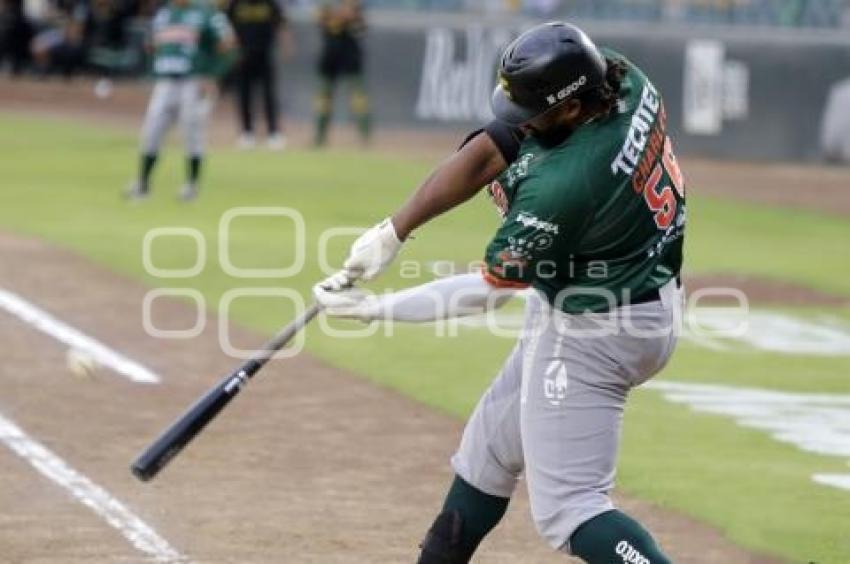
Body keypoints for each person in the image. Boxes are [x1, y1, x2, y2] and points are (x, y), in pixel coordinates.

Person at [314, 21, 686, 564]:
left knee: (571, 509)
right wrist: (394, 230)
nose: (521, 124)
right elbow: (493, 147)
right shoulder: (615, 77)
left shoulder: (567, 184)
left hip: (596, 327)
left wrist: (373, 309)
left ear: (573, 109)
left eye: (534, 112)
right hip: (623, 295)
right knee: (484, 456)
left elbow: (489, 293)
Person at [126, 0, 235, 201]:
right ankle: (142, 183)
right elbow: (153, 44)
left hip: (194, 80)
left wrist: (213, 74)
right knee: (151, 131)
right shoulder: (165, 13)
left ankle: (191, 185)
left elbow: (228, 44)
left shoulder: (207, 13)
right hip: (166, 80)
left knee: (192, 133)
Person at [226, 0, 292, 150]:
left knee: (269, 96)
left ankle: (273, 133)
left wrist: (286, 45)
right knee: (244, 96)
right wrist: (230, 51)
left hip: (265, 55)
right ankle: (247, 133)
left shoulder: (269, 3)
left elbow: (281, 24)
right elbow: (226, 27)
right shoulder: (235, 3)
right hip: (242, 56)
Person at [314, 0, 370, 147]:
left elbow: (362, 29)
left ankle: (365, 136)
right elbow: (321, 21)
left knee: (358, 98)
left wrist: (352, 15)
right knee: (324, 99)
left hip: (350, 56)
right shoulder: (327, 5)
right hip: (330, 56)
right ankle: (320, 137)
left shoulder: (354, 5)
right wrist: (341, 15)